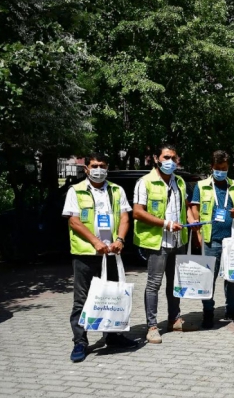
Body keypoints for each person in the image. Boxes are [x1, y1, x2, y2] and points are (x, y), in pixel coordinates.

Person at [63, 153, 138, 362]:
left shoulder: (116, 190)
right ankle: (80, 342)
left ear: (107, 168)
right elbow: (74, 222)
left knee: (111, 295)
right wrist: (95, 242)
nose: (98, 169)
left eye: (102, 166)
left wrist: (121, 239)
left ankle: (113, 336)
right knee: (82, 299)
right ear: (86, 168)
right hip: (86, 253)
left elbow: (125, 216)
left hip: (112, 252)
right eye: (94, 165)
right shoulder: (75, 190)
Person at [133, 144, 192, 344]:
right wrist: (166, 224)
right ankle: (151, 326)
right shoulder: (145, 182)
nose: (170, 161)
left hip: (178, 240)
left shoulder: (180, 182)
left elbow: (186, 207)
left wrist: (193, 222)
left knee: (175, 283)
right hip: (157, 242)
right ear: (157, 159)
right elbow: (138, 212)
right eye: (166, 157)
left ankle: (174, 319)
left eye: (173, 158)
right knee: (154, 284)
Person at [189, 150, 234, 328]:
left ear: (228, 167)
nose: (220, 171)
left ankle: (232, 308)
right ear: (212, 167)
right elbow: (194, 209)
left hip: (231, 239)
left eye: (223, 168)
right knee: (209, 278)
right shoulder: (202, 185)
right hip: (211, 239)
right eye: (217, 168)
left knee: (232, 276)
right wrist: (197, 235)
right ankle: (208, 312)